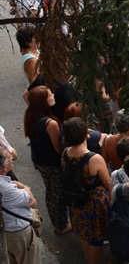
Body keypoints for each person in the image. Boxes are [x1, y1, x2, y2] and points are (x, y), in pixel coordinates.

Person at [61, 118, 111, 264]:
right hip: (94, 202)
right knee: (97, 238)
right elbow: (107, 182)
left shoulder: (65, 153)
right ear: (86, 135)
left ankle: (89, 260)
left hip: (76, 200)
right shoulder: (94, 158)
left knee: (85, 235)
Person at [24, 86, 70, 235]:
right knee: (57, 194)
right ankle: (61, 225)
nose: (53, 96)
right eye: (50, 95)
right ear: (44, 102)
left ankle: (56, 220)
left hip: (39, 160)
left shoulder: (31, 116)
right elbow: (58, 148)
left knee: (50, 191)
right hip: (52, 163)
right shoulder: (51, 123)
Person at [1, 146, 42, 264]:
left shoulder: (5, 183)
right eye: (9, 158)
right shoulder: (9, 189)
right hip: (19, 234)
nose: (12, 158)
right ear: (4, 167)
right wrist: (25, 187)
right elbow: (32, 202)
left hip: (6, 232)